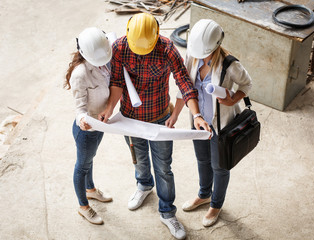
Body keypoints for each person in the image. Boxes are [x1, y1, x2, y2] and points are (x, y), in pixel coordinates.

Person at [98, 13, 210, 239]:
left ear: (157, 36)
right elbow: (118, 82)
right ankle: (144, 185)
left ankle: (167, 212)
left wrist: (196, 114)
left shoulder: (167, 49)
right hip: (130, 118)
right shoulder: (120, 48)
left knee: (163, 167)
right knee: (138, 157)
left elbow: (183, 81)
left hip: (160, 117)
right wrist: (110, 108)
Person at [167, 19, 252, 227]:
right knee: (202, 159)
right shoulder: (192, 57)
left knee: (220, 166)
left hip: (220, 125)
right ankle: (204, 194)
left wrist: (233, 98)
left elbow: (246, 84)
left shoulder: (230, 64)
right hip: (198, 121)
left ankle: (216, 204)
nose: (199, 55)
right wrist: (175, 115)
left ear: (216, 45)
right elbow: (184, 87)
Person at [65, 27, 113, 225]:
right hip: (87, 128)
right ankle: (83, 206)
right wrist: (84, 120)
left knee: (89, 160)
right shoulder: (80, 74)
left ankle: (91, 190)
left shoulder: (103, 53)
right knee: (82, 166)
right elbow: (80, 108)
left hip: (100, 124)